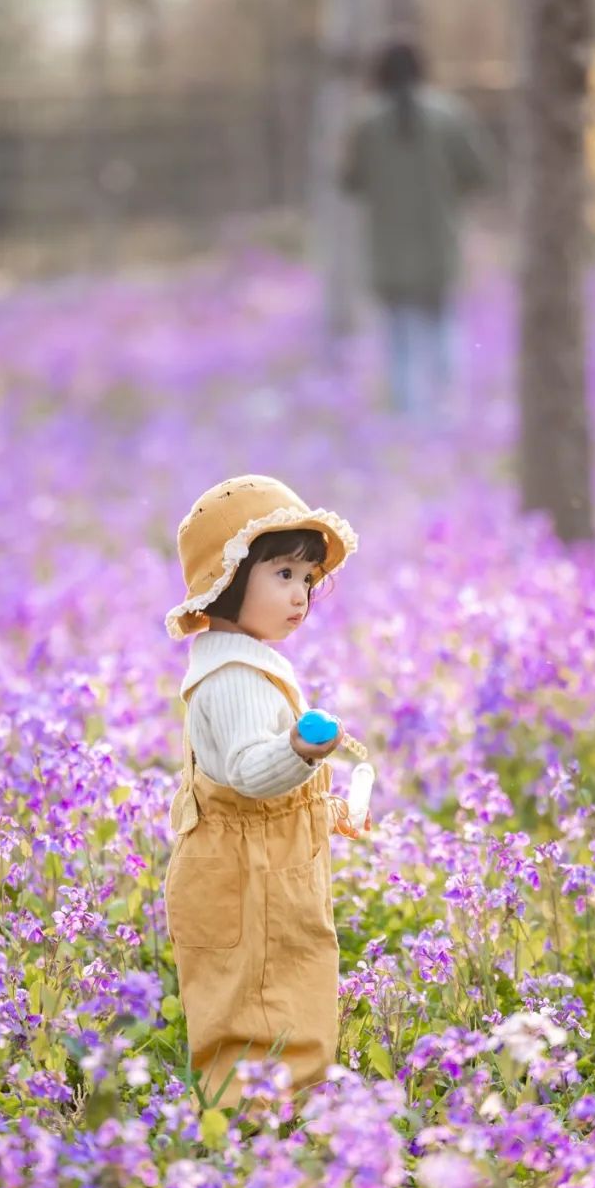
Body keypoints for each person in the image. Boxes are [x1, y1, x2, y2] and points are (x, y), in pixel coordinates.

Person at [163, 473, 371, 1126]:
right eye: (282, 572)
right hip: (248, 872)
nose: (300, 594)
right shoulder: (232, 677)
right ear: (227, 579)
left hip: (265, 862)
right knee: (259, 989)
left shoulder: (240, 657)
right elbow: (253, 772)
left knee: (291, 978)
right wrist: (303, 752)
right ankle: (257, 1125)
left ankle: (281, 1111)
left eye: (307, 579)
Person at [339, 35, 496, 423]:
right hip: (438, 244)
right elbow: (479, 173)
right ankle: (449, 413)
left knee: (400, 338)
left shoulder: (366, 124)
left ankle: (408, 420)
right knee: (443, 328)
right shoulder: (449, 115)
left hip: (388, 248)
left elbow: (348, 181)